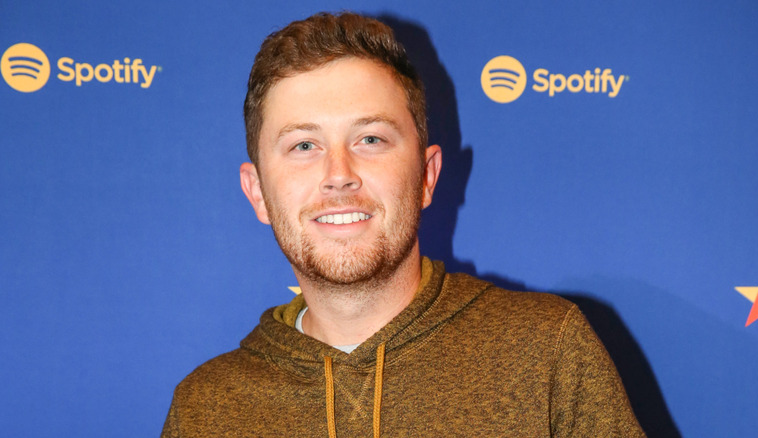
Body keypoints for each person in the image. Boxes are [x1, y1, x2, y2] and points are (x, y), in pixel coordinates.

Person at [162, 12, 645, 438]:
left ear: (427, 177)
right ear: (257, 193)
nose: (339, 176)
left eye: (370, 138)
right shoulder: (203, 408)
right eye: (304, 146)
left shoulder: (547, 353)